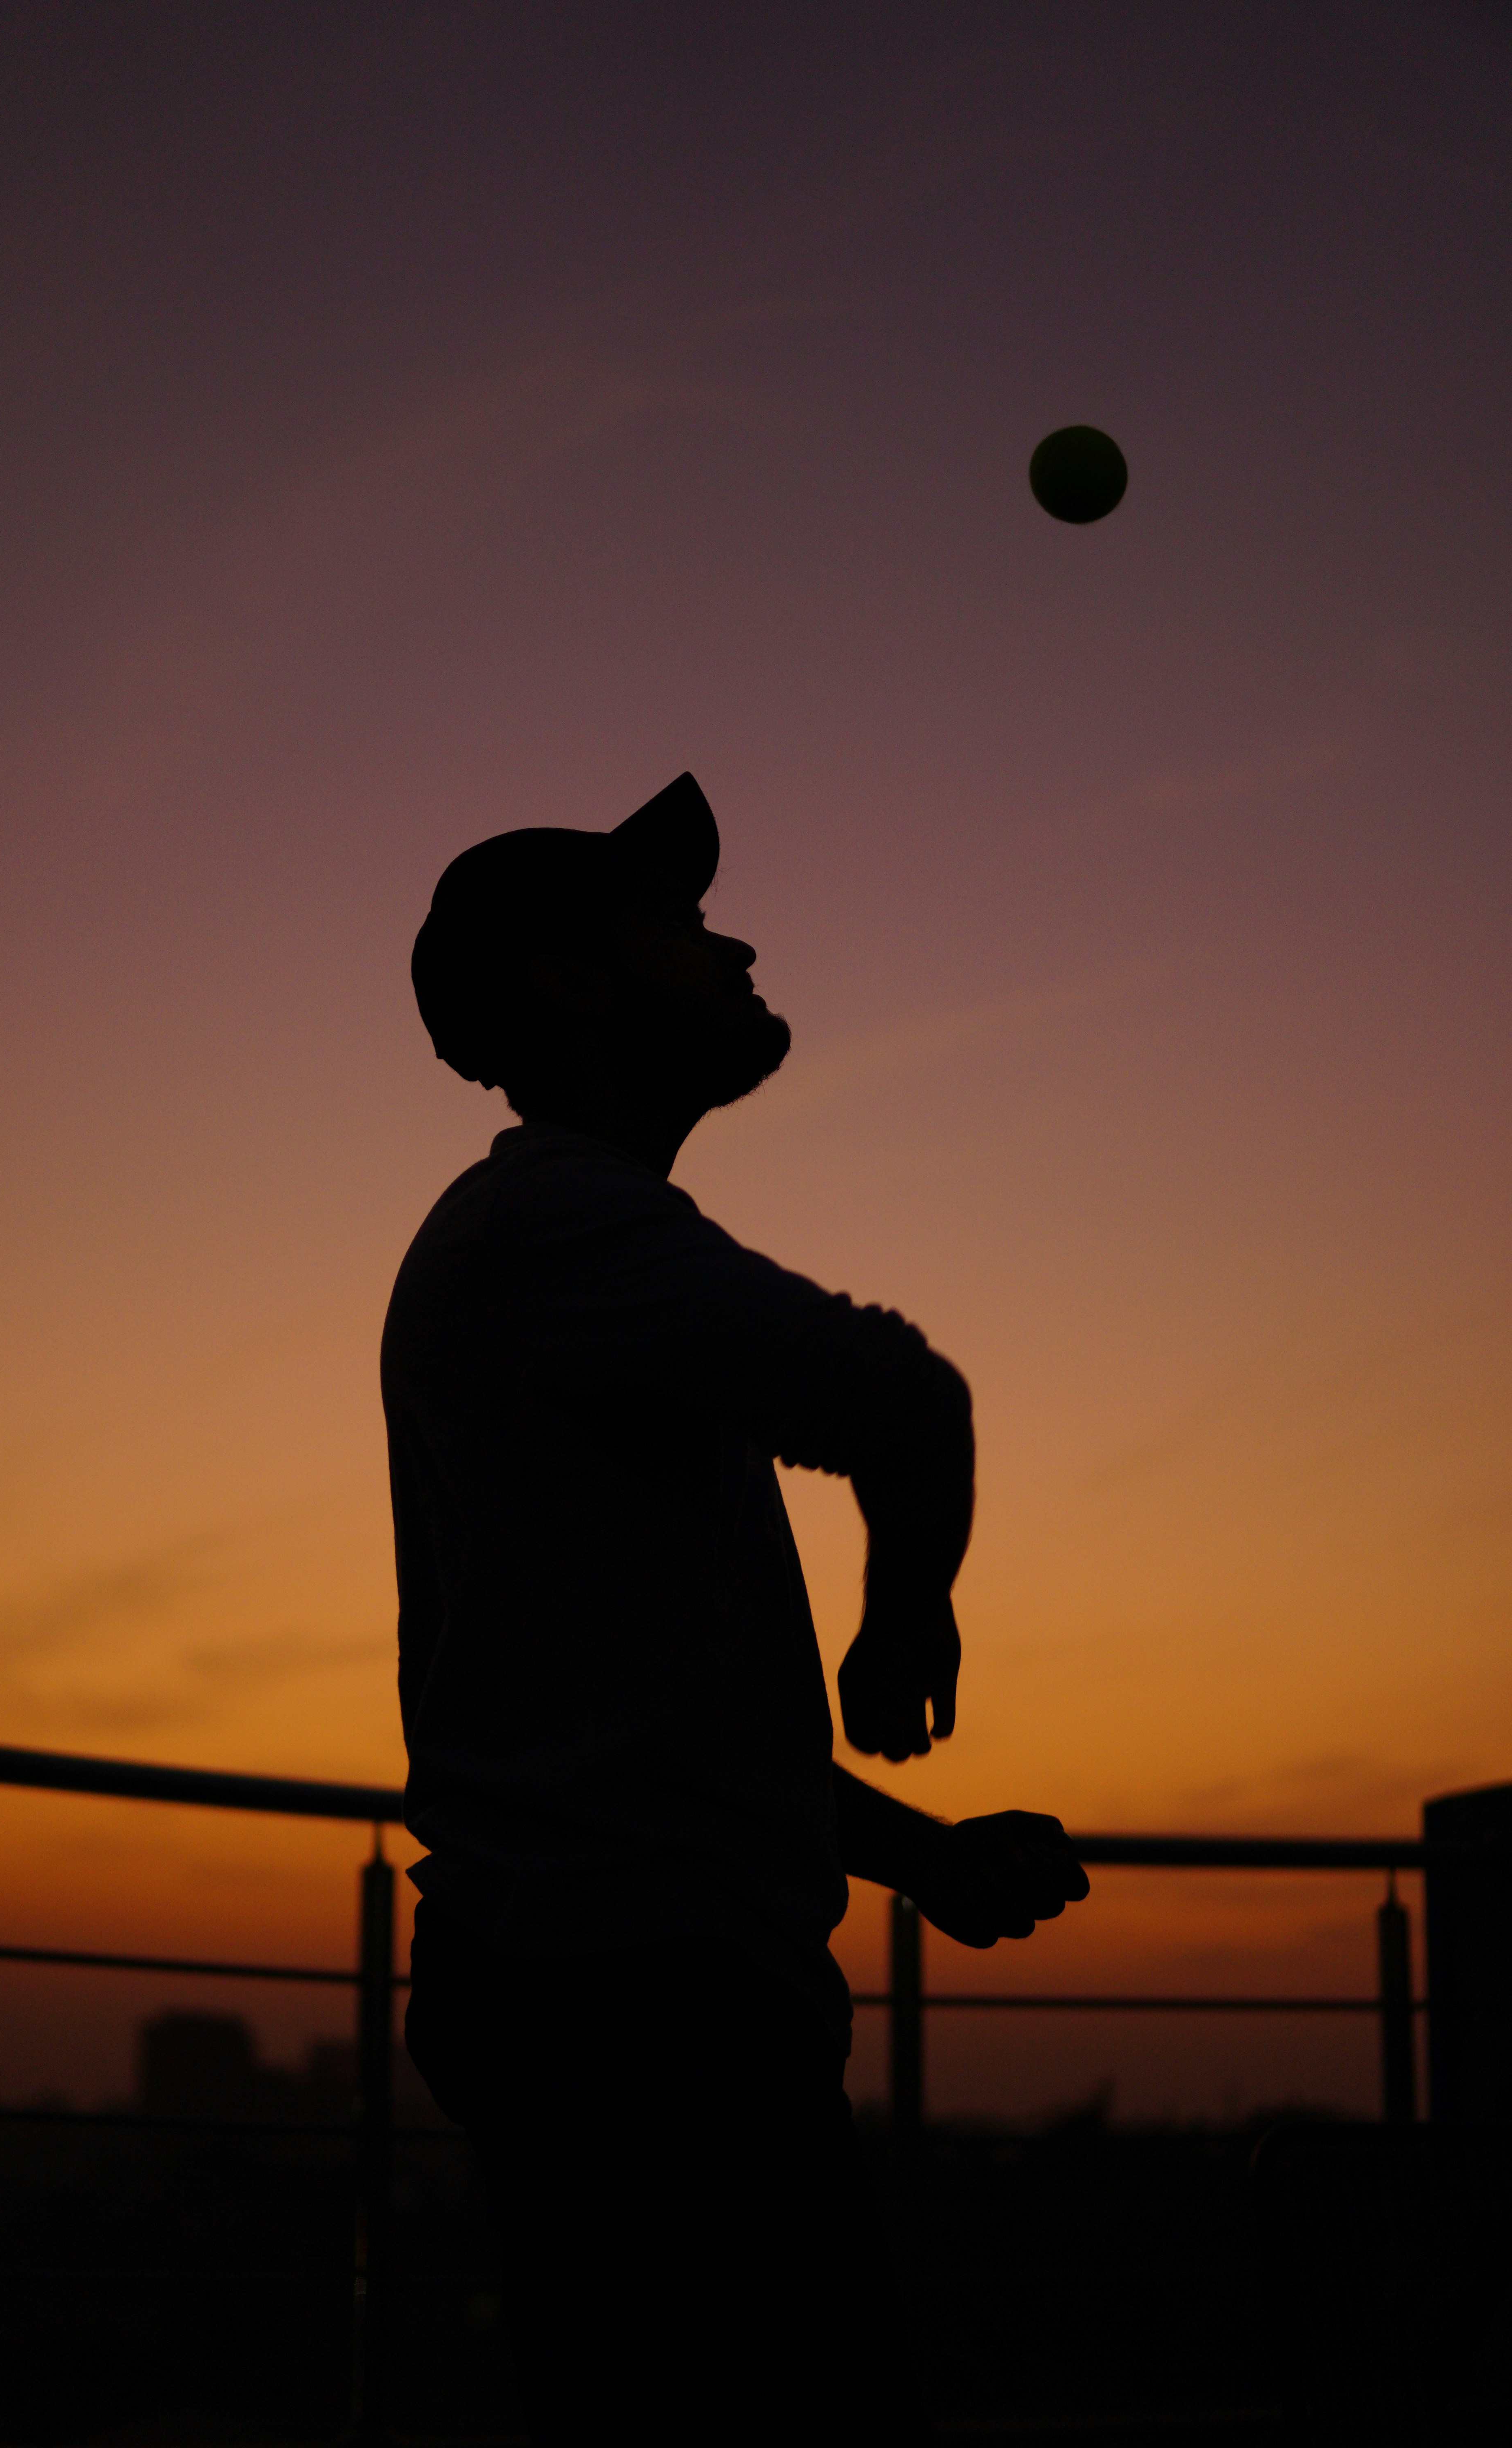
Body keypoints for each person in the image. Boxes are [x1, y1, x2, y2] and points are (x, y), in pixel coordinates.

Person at [383, 772, 1089, 2444]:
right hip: (643, 2027)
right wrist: (906, 1618)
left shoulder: (561, 1248)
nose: (736, 945)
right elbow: (899, 1401)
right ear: (574, 981)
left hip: (597, 1997)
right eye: (684, 927)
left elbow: (649, 1726)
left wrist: (917, 1857)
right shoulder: (561, 1223)